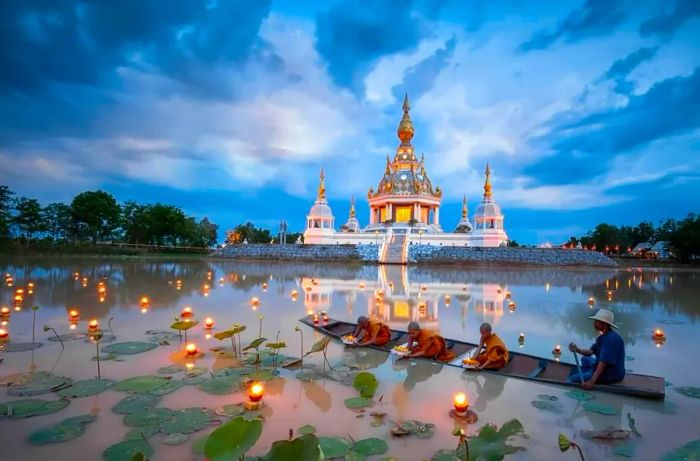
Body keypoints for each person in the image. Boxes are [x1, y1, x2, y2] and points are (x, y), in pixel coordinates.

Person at [568, 308, 625, 390]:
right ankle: (589, 371)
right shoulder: (602, 337)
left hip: (610, 375)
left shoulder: (611, 339)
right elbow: (591, 352)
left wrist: (591, 381)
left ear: (604, 324)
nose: (594, 323)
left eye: (596, 321)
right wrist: (577, 349)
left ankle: (589, 374)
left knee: (573, 378)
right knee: (585, 359)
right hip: (605, 368)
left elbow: (603, 363)